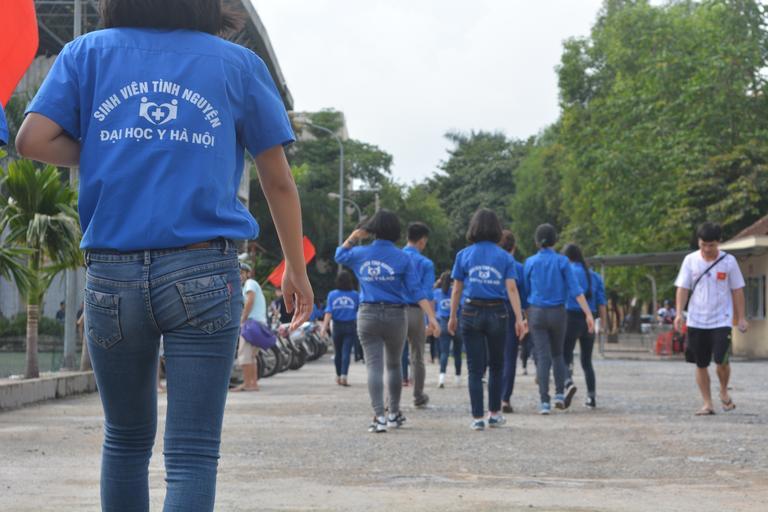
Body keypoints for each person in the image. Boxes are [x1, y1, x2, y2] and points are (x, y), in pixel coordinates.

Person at [15, 2, 314, 510]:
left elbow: (31, 140)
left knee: (125, 441)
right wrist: (297, 271)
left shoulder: (85, 54)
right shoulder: (237, 64)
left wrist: (112, 149)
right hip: (204, 271)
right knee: (193, 452)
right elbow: (278, 180)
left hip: (113, 274)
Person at [335, 209, 440, 433]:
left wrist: (355, 235)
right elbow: (417, 291)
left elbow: (340, 255)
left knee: (374, 367)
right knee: (394, 365)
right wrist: (431, 317)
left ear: (372, 229)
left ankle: (379, 418)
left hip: (367, 314)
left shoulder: (360, 253)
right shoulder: (403, 258)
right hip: (395, 316)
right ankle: (393, 414)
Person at [448, 209, 526, 431]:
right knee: (496, 365)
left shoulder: (463, 255)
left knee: (474, 368)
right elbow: (512, 288)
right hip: (497, 312)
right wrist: (519, 318)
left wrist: (452, 316)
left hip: (470, 311)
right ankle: (494, 414)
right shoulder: (505, 257)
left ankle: (477, 418)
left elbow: (456, 289)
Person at [674, 222, 747, 416]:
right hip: (696, 320)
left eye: (711, 245)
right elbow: (683, 288)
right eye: (703, 244)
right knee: (701, 364)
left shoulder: (729, 261)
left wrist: (741, 317)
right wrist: (679, 313)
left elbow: (737, 290)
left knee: (721, 360)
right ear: (698, 242)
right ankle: (707, 403)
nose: (707, 249)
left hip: (722, 320)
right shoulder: (690, 260)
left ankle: (723, 390)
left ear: (719, 242)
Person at [524, 224, 594, 415]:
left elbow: (525, 292)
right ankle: (559, 395)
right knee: (557, 354)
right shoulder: (563, 262)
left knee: (542, 356)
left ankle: (544, 402)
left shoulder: (530, 262)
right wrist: (588, 314)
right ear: (555, 241)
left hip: (536, 313)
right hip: (558, 313)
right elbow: (576, 290)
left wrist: (524, 316)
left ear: (536, 241)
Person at [562, 244, 607, 408]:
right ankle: (591, 397)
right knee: (587, 361)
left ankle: (568, 383)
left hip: (570, 317)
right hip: (589, 320)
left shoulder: (567, 273)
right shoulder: (595, 276)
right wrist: (603, 324)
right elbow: (602, 303)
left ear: (567, 258)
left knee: (564, 356)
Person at [402, 222, 435, 408]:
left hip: (395, 311)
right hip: (416, 311)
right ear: (422, 241)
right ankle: (418, 395)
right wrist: (432, 319)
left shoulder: (396, 257)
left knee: (392, 357)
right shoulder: (426, 263)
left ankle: (390, 400)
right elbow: (427, 294)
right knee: (417, 356)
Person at [498, 230, 527, 414]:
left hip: (492, 309)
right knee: (510, 357)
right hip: (511, 311)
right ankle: (505, 398)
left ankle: (493, 396)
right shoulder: (519, 267)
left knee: (494, 356)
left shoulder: (492, 264)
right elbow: (523, 295)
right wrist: (523, 318)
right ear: (514, 247)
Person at [232, 261, 267, 392]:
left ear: (248, 274)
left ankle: (247, 384)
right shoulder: (247, 286)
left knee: (244, 356)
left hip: (251, 323)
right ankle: (253, 384)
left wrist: (243, 318)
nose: (239, 275)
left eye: (241, 273)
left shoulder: (250, 283)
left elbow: (250, 300)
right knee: (252, 356)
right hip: (258, 323)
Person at [321, 270, 360, 386]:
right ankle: (344, 376)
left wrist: (324, 327)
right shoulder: (355, 295)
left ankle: (338, 376)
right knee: (346, 352)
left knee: (338, 352)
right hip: (350, 326)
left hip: (337, 326)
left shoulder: (332, 295)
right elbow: (359, 311)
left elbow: (328, 312)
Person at [433, 271, 463, 387]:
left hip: (443, 323)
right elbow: (461, 307)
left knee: (444, 352)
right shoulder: (457, 292)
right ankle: (458, 378)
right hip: (456, 323)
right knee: (457, 352)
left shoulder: (437, 292)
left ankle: (442, 378)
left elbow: (434, 308)